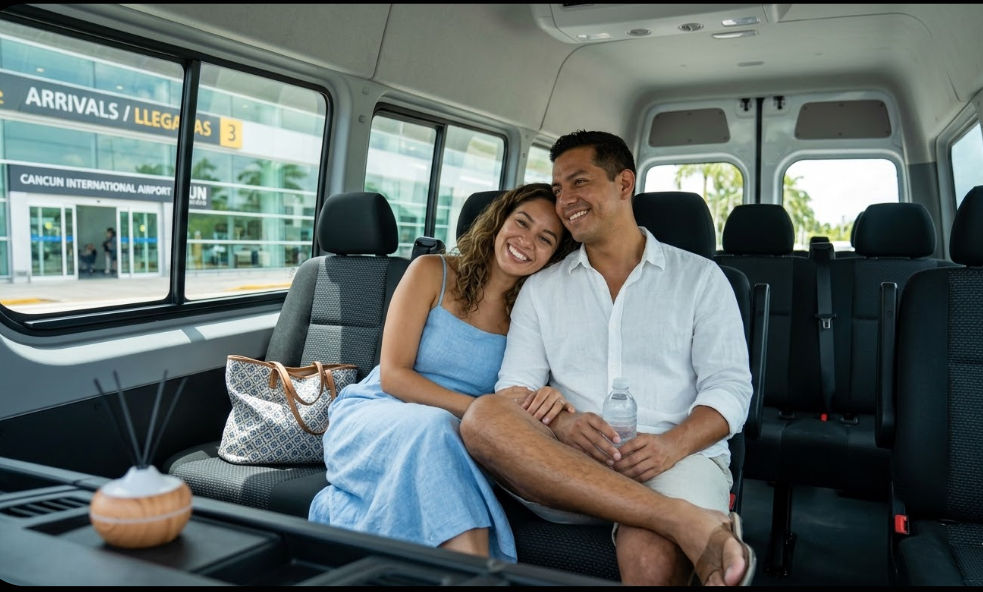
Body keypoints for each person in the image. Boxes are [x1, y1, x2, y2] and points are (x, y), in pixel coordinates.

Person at [459, 130, 756, 585]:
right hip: (566, 467)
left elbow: (731, 389)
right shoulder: (542, 287)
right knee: (483, 418)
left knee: (650, 548)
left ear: (623, 184)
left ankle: (665, 516)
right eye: (558, 190)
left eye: (579, 182)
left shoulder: (700, 279)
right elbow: (513, 387)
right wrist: (561, 424)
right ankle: (683, 520)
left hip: (675, 462)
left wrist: (671, 445)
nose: (565, 201)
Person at [308, 183, 578, 561]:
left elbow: (528, 390)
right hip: (380, 413)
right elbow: (394, 376)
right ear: (499, 221)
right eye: (521, 222)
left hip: (465, 439)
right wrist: (483, 415)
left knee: (439, 434)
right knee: (434, 428)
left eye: (545, 238)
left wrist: (549, 397)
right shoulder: (431, 271)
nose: (526, 240)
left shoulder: (535, 314)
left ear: (553, 256)